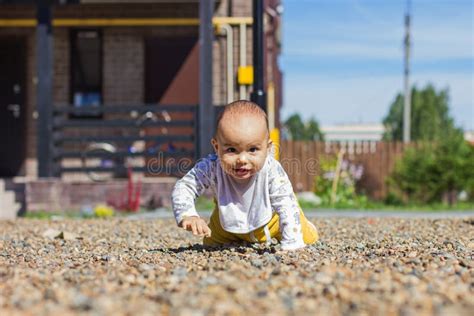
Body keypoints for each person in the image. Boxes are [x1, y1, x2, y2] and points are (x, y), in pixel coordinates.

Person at [171, 100, 318, 251]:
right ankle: (235, 238)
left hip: (270, 222)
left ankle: (307, 227)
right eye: (231, 150)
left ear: (268, 148)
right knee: (209, 245)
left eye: (253, 149)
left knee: (305, 237)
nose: (242, 159)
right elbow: (185, 186)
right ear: (217, 147)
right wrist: (188, 214)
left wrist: (291, 242)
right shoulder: (212, 166)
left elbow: (285, 202)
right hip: (225, 224)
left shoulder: (271, 169)